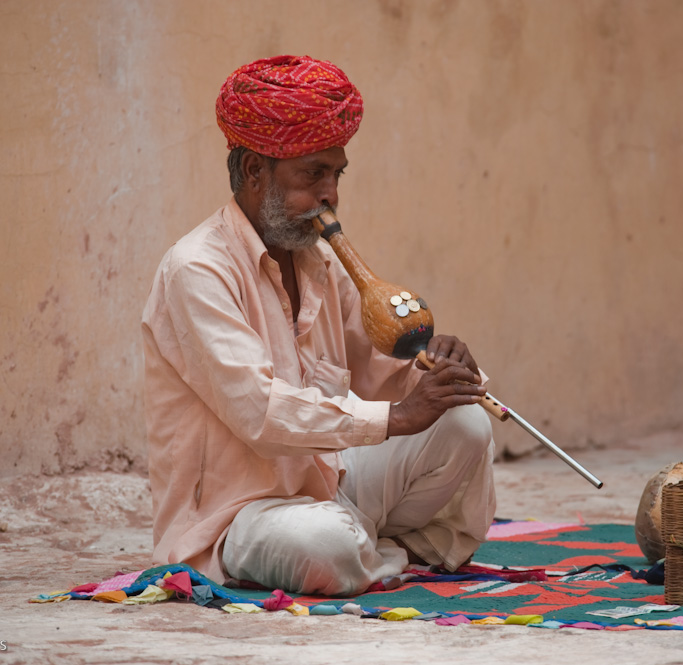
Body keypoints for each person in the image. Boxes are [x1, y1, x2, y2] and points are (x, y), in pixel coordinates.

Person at [141, 55, 496, 596]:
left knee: (466, 426)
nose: (331, 194)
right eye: (313, 174)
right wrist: (399, 417)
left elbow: (381, 375)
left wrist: (433, 371)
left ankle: (367, 545)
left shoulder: (321, 263)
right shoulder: (197, 269)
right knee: (324, 546)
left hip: (329, 484)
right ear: (255, 171)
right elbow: (259, 412)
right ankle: (374, 550)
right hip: (237, 514)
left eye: (336, 174)